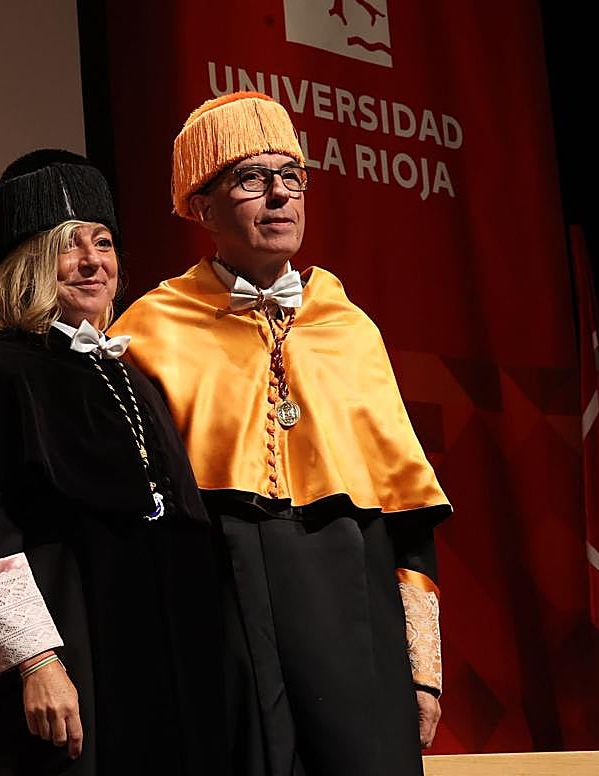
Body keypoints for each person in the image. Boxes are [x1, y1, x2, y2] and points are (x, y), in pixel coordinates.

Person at [108, 91, 453, 776]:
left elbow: (409, 510)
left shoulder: (348, 326)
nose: (278, 196)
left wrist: (424, 671)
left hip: (351, 590)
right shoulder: (148, 329)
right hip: (223, 599)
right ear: (202, 208)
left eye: (291, 175)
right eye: (250, 178)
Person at [0, 149, 226, 776]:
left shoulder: (131, 375)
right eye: (67, 246)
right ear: (29, 263)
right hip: (69, 656)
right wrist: (37, 663)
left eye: (103, 243)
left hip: (158, 664)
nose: (92, 262)